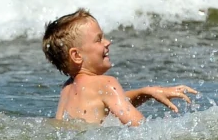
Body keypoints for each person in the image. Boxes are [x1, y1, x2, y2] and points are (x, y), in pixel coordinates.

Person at [43, 9, 196, 126]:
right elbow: (141, 127)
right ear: (76, 56)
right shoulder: (106, 83)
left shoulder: (68, 89)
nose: (107, 42)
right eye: (99, 39)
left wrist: (146, 92)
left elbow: (105, 103)